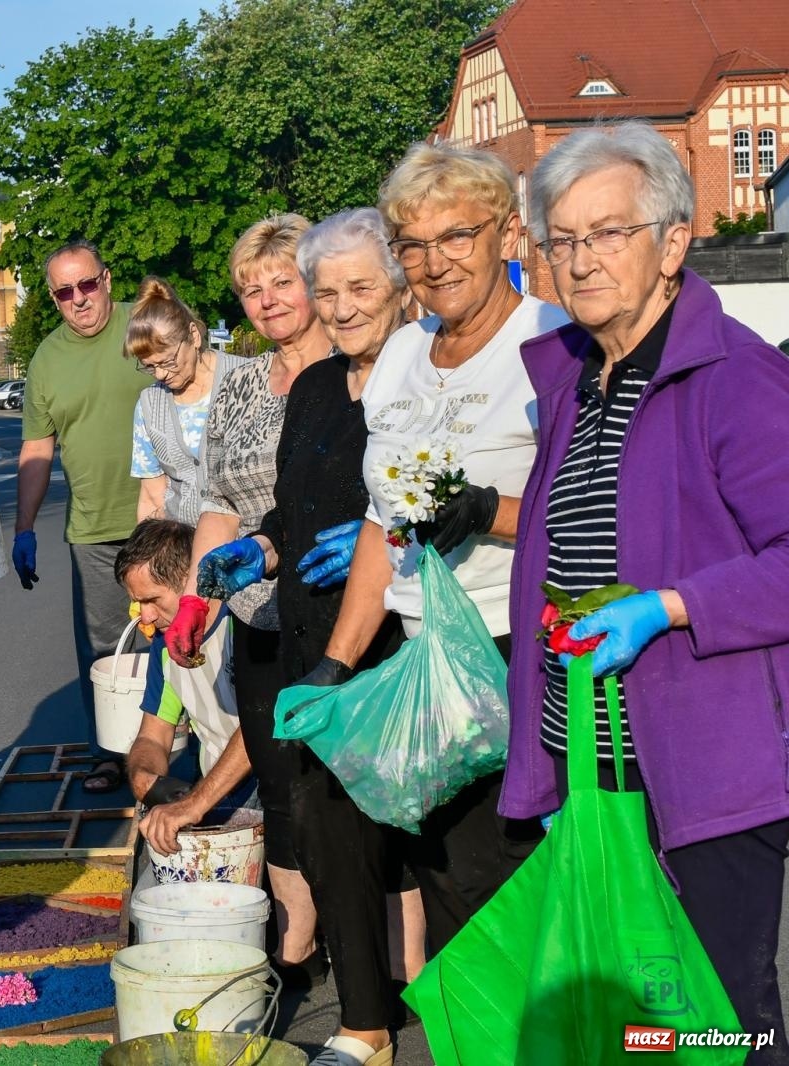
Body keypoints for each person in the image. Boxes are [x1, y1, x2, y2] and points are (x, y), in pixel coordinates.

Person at [503, 122, 789, 1060]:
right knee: (637, 1026)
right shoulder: (576, 378)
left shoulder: (734, 376)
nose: (581, 262)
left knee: (718, 1013)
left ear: (672, 243)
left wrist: (670, 607)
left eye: (608, 233)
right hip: (593, 760)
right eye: (563, 240)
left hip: (706, 764)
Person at [278, 144, 567, 1066]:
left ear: (506, 232)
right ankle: (410, 1032)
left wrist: (491, 512)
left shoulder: (553, 345)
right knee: (384, 832)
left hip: (509, 647)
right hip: (412, 646)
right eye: (415, 242)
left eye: (458, 235)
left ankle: (511, 1042)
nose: (436, 260)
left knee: (481, 875)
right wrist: (336, 663)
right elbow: (380, 522)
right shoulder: (403, 351)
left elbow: (604, 513)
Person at [209, 208, 426, 1065]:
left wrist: (398, 538)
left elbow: (447, 495)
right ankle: (364, 1024)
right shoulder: (313, 388)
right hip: (313, 646)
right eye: (327, 291)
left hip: (395, 642)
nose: (337, 307)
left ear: (398, 286)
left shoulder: (422, 377)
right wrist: (258, 546)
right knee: (331, 835)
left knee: (416, 840)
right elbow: (286, 504)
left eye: (356, 289)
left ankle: (435, 999)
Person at [164, 213, 330, 986]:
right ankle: (300, 938)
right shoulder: (237, 381)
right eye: (250, 289)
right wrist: (201, 600)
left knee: (352, 784)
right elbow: (219, 503)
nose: (265, 300)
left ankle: (388, 955)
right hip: (257, 610)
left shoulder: (361, 366)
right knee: (280, 780)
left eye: (281, 281)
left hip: (343, 610)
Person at [14, 239, 147, 794]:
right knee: (104, 650)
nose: (79, 300)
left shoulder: (145, 326)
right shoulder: (47, 357)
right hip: (93, 527)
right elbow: (37, 449)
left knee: (183, 637)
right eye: (65, 292)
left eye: (87, 284)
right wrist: (23, 528)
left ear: (107, 280)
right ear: (53, 296)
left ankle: (192, 745)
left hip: (163, 519)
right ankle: (110, 754)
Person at [115, 519, 253, 858]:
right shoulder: (165, 646)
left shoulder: (244, 624)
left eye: (151, 600)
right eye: (137, 602)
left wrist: (195, 802)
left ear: (187, 581)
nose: (144, 617)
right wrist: (143, 776)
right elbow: (152, 736)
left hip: (270, 788)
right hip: (215, 789)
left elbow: (260, 728)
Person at [127, 276, 241, 524]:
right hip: (183, 549)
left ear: (194, 336)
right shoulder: (149, 405)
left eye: (167, 361)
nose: (160, 374)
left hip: (250, 547)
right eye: (149, 366)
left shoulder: (245, 379)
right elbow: (152, 497)